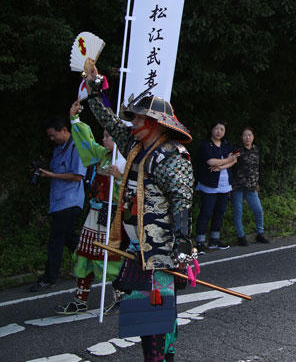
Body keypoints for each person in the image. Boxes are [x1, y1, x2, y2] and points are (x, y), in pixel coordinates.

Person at [83, 69, 194, 362]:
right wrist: (94, 91)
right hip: (136, 250)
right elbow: (109, 120)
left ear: (155, 123)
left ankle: (159, 359)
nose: (132, 123)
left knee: (155, 315)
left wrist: (182, 245)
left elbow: (182, 202)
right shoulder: (135, 145)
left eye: (138, 119)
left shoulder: (172, 154)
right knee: (143, 315)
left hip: (160, 253)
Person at [55, 99, 124, 314]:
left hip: (113, 214)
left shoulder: (128, 160)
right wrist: (74, 119)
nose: (104, 139)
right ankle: (80, 298)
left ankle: (120, 295)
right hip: (94, 212)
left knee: (110, 257)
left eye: (109, 136)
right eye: (103, 135)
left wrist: (120, 178)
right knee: (83, 253)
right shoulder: (102, 155)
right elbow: (86, 141)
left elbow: (137, 188)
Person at [30, 116, 88, 292]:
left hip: (70, 201)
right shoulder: (58, 149)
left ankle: (50, 277)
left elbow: (77, 175)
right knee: (69, 238)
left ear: (64, 129)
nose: (51, 139)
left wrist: (51, 175)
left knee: (56, 240)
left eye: (53, 135)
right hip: (58, 202)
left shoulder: (77, 147)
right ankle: (91, 262)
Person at [194, 120, 237, 253]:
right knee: (206, 212)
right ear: (211, 130)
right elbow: (211, 161)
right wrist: (227, 160)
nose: (219, 131)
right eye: (216, 129)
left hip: (225, 185)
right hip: (209, 184)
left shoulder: (226, 144)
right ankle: (200, 242)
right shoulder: (206, 144)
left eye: (222, 129)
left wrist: (221, 166)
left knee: (220, 212)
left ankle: (214, 240)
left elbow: (234, 160)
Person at [230, 127, 268, 246]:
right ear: (241, 137)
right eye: (245, 135)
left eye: (249, 135)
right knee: (238, 211)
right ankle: (241, 236)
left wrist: (257, 183)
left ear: (253, 137)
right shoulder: (237, 150)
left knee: (258, 210)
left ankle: (260, 233)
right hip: (238, 185)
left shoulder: (256, 149)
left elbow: (258, 167)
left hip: (251, 185)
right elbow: (231, 165)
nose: (247, 138)